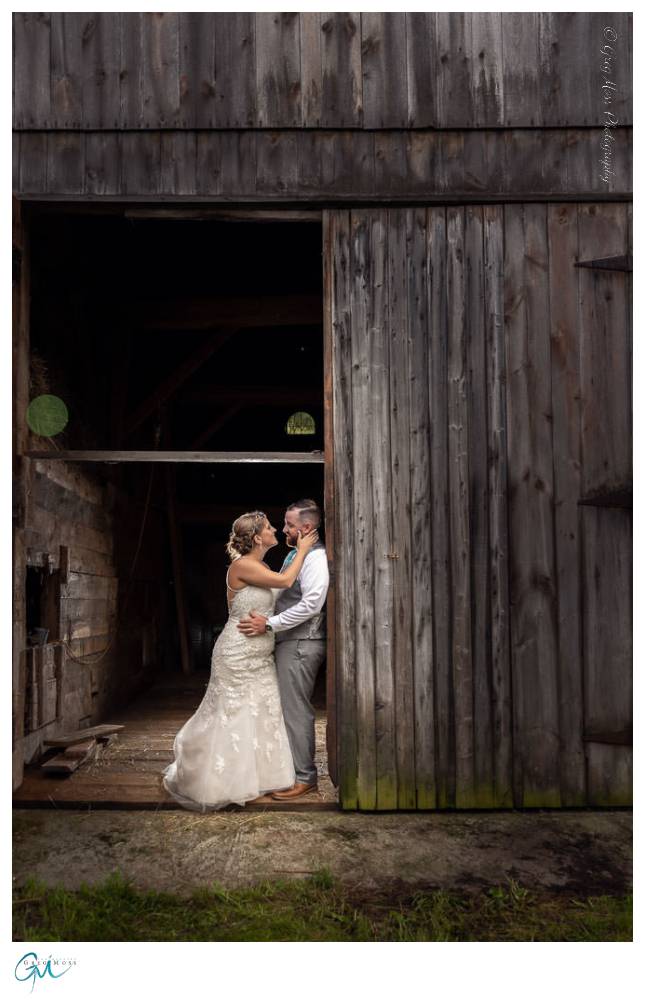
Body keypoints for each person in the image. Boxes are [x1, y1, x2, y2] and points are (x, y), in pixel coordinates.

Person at [161, 511, 319, 811]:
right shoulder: (242, 565)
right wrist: (303, 550)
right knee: (232, 714)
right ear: (258, 537)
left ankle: (258, 777)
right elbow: (285, 581)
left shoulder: (259, 565)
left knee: (261, 713)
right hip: (236, 653)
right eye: (271, 527)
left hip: (260, 655)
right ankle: (221, 781)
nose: (276, 530)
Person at [237, 500, 329, 801]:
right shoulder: (295, 555)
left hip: (303, 643)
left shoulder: (315, 558)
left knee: (297, 711)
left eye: (289, 524)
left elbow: (312, 603)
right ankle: (292, 771)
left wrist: (271, 624)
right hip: (291, 643)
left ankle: (305, 777)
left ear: (306, 528)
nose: (284, 528)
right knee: (288, 710)